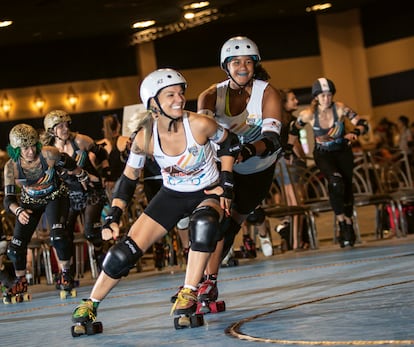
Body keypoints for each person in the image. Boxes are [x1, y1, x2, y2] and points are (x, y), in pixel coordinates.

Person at [70, 68, 239, 334]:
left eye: (181, 93)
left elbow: (232, 144)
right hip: (171, 195)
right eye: (170, 94)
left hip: (206, 193)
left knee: (204, 225)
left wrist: (226, 184)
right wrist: (113, 215)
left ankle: (189, 292)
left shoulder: (198, 124)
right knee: (122, 252)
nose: (179, 99)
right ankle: (91, 303)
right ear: (153, 103)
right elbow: (128, 179)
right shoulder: (144, 137)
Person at [197, 36, 283, 310]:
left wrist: (243, 152)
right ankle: (204, 281)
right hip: (225, 166)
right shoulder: (210, 96)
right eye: (236, 62)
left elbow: (272, 140)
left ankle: (207, 280)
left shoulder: (267, 92)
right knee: (212, 222)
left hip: (259, 168)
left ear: (256, 64)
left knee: (231, 225)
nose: (243, 67)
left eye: (248, 61)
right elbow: (202, 135)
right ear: (226, 66)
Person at [3, 123, 86, 300]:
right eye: (25, 148)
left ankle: (65, 274)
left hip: (54, 196)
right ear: (16, 150)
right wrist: (18, 211)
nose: (31, 151)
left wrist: (81, 175)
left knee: (58, 236)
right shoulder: (11, 167)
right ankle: (20, 281)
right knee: (15, 247)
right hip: (29, 203)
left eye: (33, 145)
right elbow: (8, 200)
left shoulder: (49, 154)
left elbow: (69, 162)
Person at [288, 77, 369, 247]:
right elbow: (294, 129)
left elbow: (363, 123)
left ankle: (348, 223)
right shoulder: (308, 114)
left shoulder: (340, 108)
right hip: (323, 154)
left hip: (343, 152)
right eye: (323, 95)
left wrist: (355, 132)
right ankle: (342, 222)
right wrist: (288, 149)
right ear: (316, 97)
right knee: (335, 182)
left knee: (346, 187)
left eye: (329, 95)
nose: (326, 99)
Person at [41, 110, 110, 274]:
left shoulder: (81, 140)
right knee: (64, 234)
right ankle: (68, 272)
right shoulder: (49, 151)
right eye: (60, 126)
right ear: (51, 130)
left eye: (67, 125)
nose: (65, 129)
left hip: (90, 192)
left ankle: (100, 253)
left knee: (90, 232)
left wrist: (106, 173)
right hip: (69, 195)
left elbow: (102, 153)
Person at [275, 89, 308, 251]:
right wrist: (303, 158)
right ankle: (296, 242)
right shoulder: (291, 122)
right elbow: (295, 145)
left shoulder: (276, 120)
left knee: (291, 205)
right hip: (289, 163)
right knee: (296, 205)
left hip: (278, 164)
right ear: (284, 103)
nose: (296, 102)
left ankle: (294, 241)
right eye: (293, 99)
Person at [96, 114, 129, 201]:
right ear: (118, 125)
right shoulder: (125, 140)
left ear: (104, 128)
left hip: (106, 186)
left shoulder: (99, 145)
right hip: (123, 183)